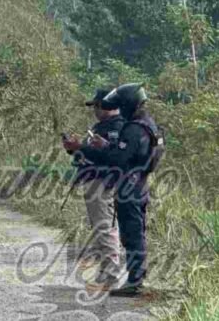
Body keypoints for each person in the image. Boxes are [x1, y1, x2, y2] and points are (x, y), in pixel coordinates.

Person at [68, 83, 163, 297]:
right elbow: (130, 155)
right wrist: (105, 147)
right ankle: (135, 278)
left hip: (129, 185)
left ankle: (135, 281)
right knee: (134, 232)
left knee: (132, 234)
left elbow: (116, 160)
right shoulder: (148, 125)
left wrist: (84, 148)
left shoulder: (133, 129)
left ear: (128, 104)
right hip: (139, 183)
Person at [62, 89, 124, 291]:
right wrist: (75, 148)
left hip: (103, 182)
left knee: (105, 227)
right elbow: (90, 154)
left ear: (106, 105)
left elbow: (109, 157)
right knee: (100, 227)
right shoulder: (101, 127)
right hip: (93, 180)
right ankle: (105, 272)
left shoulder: (117, 127)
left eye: (97, 106)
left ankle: (111, 276)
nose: (95, 110)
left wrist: (81, 147)